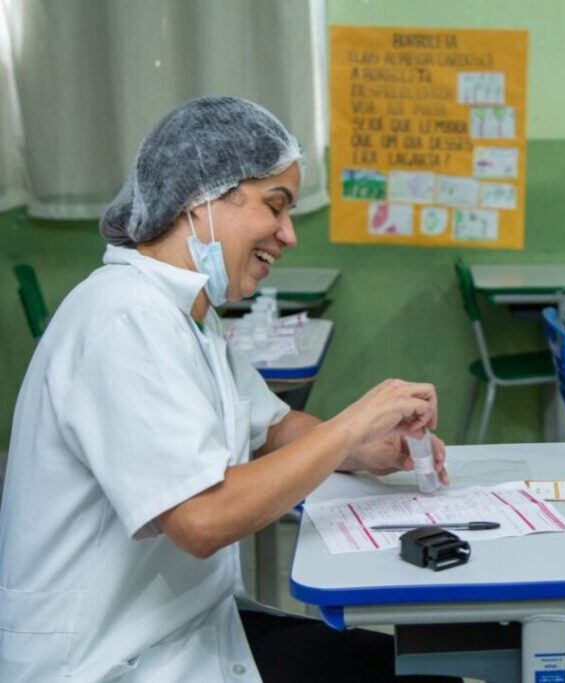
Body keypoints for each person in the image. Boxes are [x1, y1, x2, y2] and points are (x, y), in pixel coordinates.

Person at [0, 97, 456, 682]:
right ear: (200, 198)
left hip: (182, 628)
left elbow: (269, 426)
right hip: (108, 661)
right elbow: (202, 518)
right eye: (276, 206)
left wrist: (367, 447)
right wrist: (351, 425)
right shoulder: (123, 318)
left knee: (405, 662)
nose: (288, 235)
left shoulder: (188, 313)